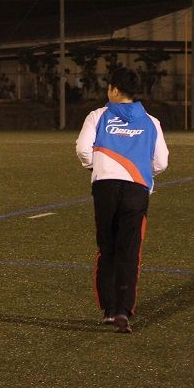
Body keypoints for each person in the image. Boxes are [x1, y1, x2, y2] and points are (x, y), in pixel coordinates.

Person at [76, 67, 168, 333]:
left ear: (115, 90)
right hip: (137, 188)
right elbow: (161, 161)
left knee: (107, 247)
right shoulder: (151, 121)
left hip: (105, 186)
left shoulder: (97, 116)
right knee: (129, 250)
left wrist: (96, 165)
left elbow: (83, 149)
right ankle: (123, 311)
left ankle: (108, 309)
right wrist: (142, 171)